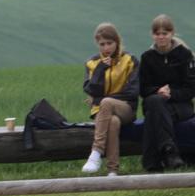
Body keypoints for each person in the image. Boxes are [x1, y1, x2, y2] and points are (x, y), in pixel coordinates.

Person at [139, 14, 195, 172]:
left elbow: (191, 89)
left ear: (172, 33)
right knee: (155, 102)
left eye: (165, 33)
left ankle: (152, 164)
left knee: (153, 116)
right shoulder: (147, 57)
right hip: (155, 102)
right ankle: (169, 149)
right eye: (157, 33)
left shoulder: (184, 55)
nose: (161, 37)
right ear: (152, 35)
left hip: (181, 106)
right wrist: (158, 91)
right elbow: (143, 89)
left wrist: (172, 93)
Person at [81, 23, 139, 176]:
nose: (106, 47)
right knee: (112, 122)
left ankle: (96, 152)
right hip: (101, 112)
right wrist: (100, 70)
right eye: (102, 44)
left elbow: (132, 92)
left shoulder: (130, 60)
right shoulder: (92, 63)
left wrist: (100, 99)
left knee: (106, 102)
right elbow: (90, 90)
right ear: (97, 44)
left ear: (117, 41)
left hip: (125, 108)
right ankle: (112, 171)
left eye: (109, 43)